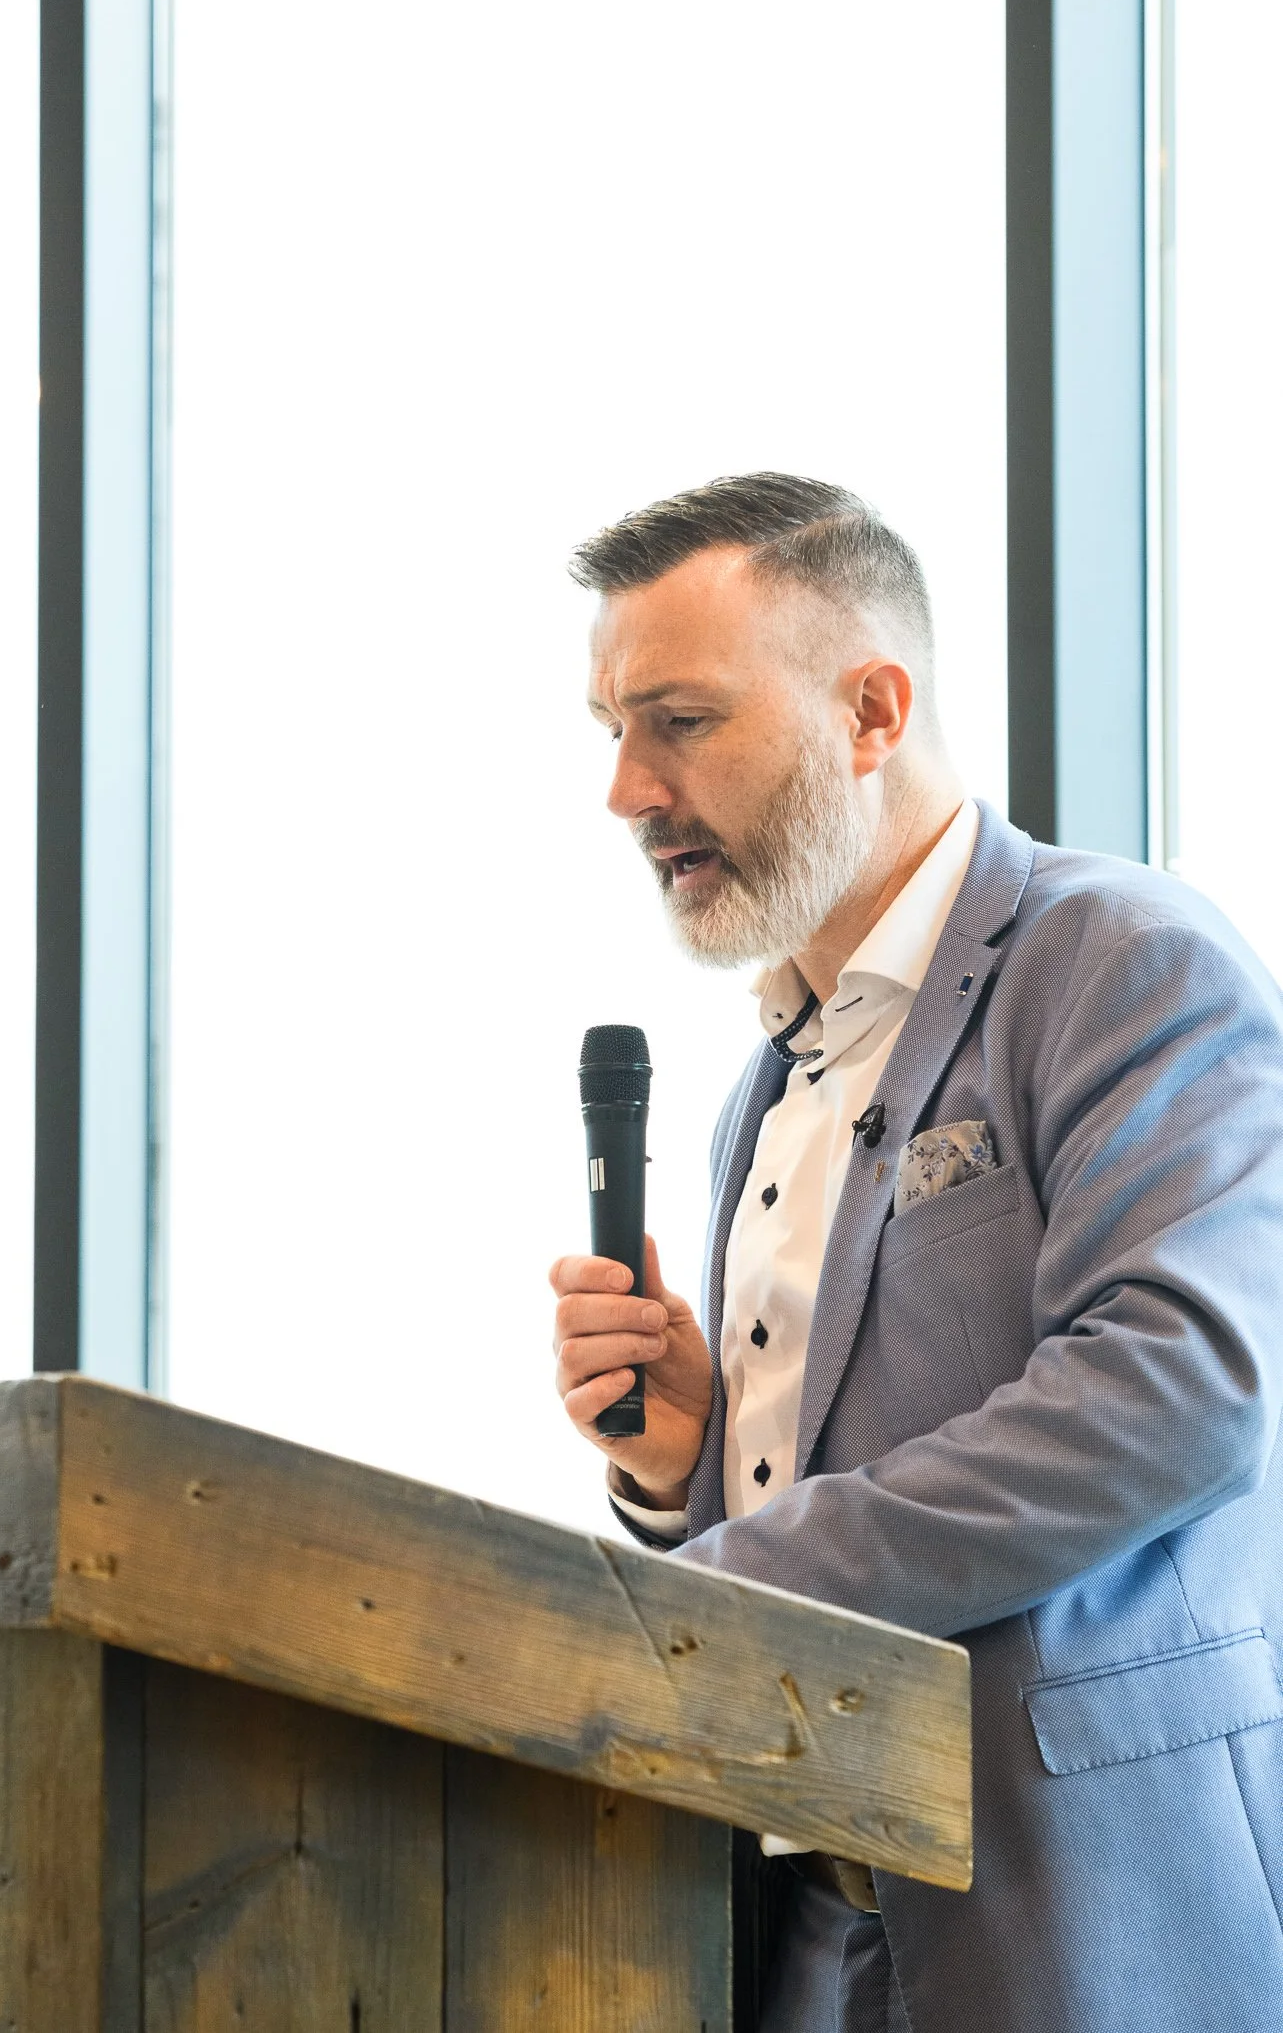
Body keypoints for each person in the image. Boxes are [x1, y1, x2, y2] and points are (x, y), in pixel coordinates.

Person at [549, 472, 1283, 2033]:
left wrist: (730, 1585)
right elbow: (807, 1477)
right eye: (611, 728)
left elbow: (1177, 1390)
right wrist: (682, 1475)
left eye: (678, 721)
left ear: (871, 710)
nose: (626, 787)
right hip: (800, 1925)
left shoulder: (1121, 959)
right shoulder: (777, 1073)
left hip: (1069, 1916)